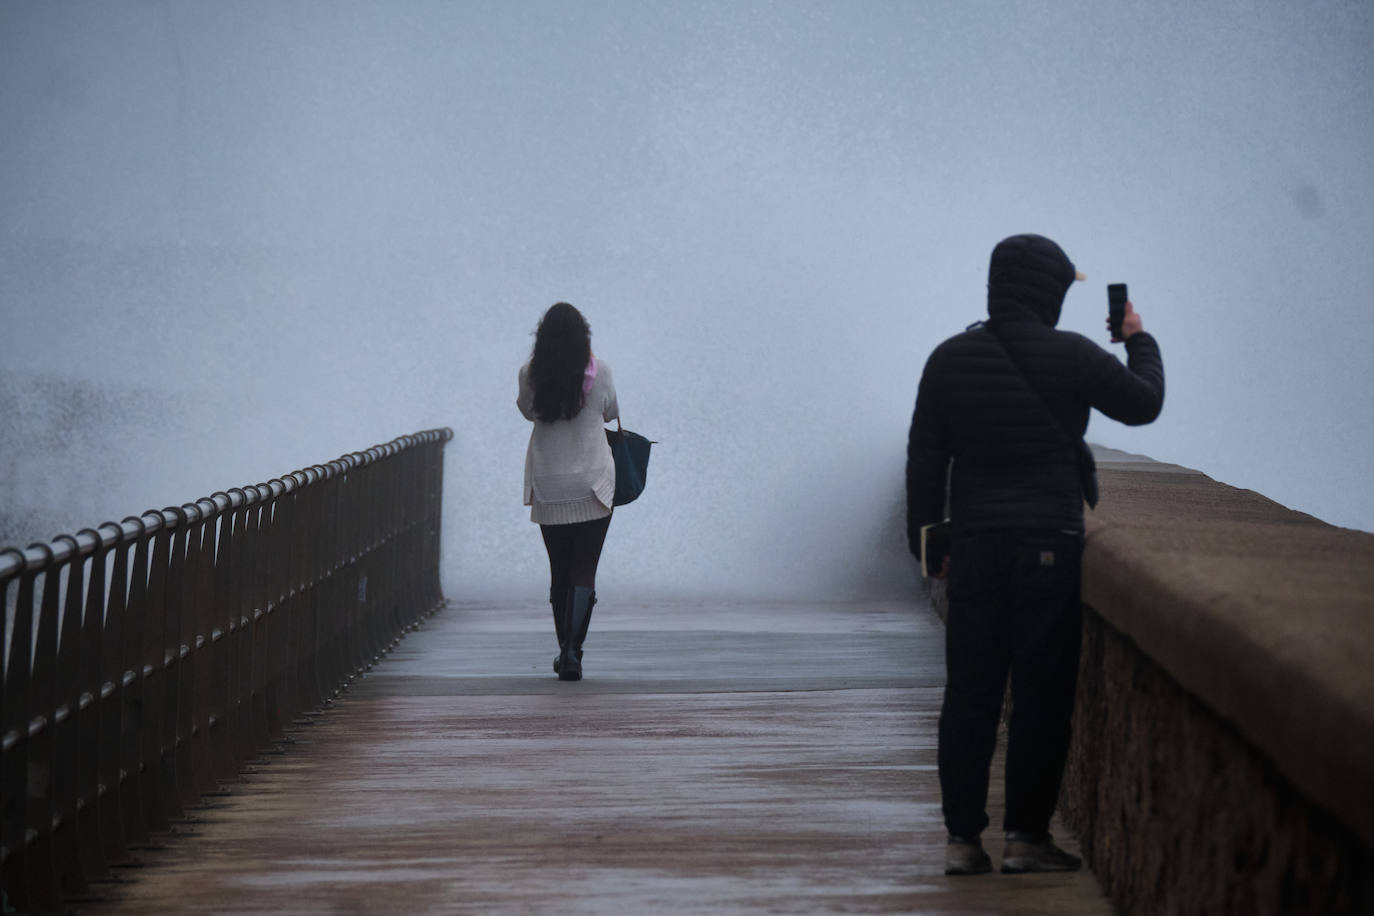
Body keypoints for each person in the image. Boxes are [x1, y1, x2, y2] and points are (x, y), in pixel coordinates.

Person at [906, 234, 1165, 875]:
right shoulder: (1072, 355)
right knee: (1041, 696)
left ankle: (962, 842)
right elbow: (1143, 403)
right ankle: (1026, 839)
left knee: (970, 695)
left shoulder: (949, 359)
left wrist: (929, 542)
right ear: (1048, 290)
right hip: (1049, 546)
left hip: (973, 547)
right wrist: (1137, 338)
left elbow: (925, 461)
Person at [518, 302, 619, 682]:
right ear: (583, 337)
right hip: (593, 483)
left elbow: (527, 411)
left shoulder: (531, 374)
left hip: (550, 483)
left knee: (558, 569)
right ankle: (573, 653)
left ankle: (564, 649)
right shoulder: (600, 370)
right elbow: (610, 411)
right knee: (584, 569)